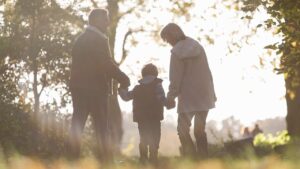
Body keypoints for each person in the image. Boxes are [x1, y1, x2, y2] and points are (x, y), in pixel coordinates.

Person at [69, 9, 130, 160]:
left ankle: (71, 159)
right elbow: (104, 64)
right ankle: (105, 161)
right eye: (105, 19)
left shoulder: (81, 39)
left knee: (77, 124)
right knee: (101, 127)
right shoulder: (98, 39)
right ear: (95, 20)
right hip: (95, 89)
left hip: (78, 87)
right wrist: (123, 78)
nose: (108, 22)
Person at [160, 23, 217, 159]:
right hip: (204, 94)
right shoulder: (197, 46)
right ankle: (203, 159)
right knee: (199, 130)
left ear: (171, 35)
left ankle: (191, 159)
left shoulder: (176, 53)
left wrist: (170, 97)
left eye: (167, 39)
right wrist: (212, 93)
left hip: (188, 97)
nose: (168, 43)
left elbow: (175, 78)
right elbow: (207, 72)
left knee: (182, 129)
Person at [118, 63, 166, 164]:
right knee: (155, 137)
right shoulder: (158, 86)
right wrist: (168, 102)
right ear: (156, 74)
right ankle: (153, 159)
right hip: (155, 117)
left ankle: (143, 159)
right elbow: (161, 98)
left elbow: (126, 97)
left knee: (143, 137)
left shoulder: (137, 88)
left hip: (142, 119)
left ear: (143, 75)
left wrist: (121, 89)